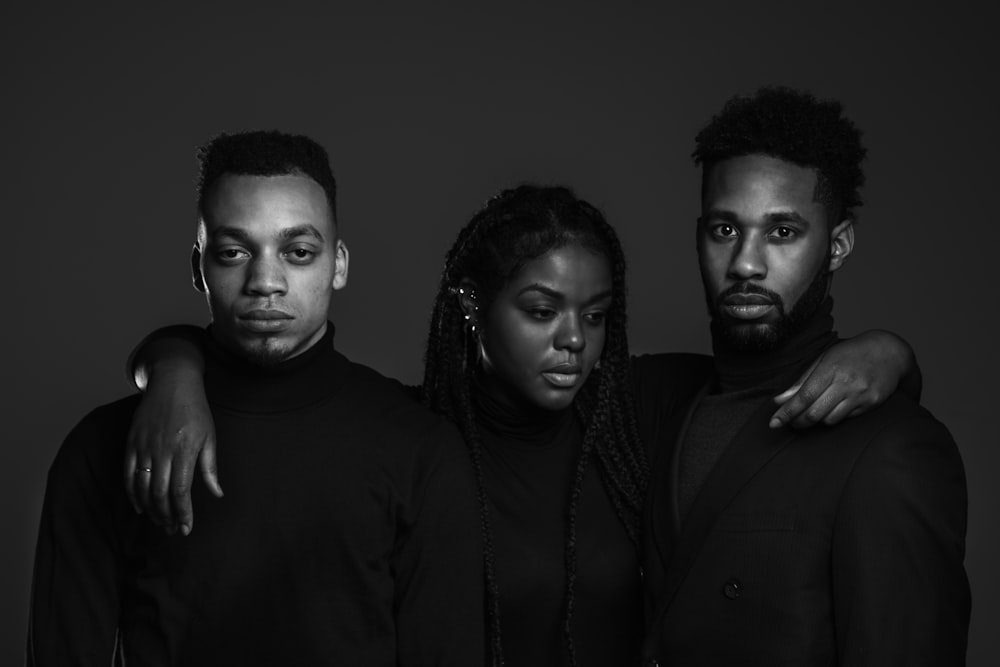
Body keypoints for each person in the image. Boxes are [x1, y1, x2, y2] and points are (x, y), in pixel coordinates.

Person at [123, 183, 919, 666]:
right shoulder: (408, 436)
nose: (575, 341)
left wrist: (892, 354)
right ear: (473, 307)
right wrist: (172, 364)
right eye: (541, 311)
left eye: (598, 315)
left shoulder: (632, 411)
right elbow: (266, 371)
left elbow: (769, 375)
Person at [26, 130, 483, 665]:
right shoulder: (103, 448)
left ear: (338, 264)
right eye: (234, 251)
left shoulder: (419, 448)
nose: (266, 280)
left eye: (298, 252)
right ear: (199, 268)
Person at [640, 87, 970, 666]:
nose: (746, 262)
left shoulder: (893, 447)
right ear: (698, 235)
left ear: (838, 244)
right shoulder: (655, 400)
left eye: (782, 232)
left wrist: (894, 354)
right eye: (724, 230)